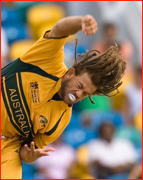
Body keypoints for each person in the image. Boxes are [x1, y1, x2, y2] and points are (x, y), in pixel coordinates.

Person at [1, 14, 126, 179]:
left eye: (85, 93)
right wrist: (80, 22)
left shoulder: (62, 119)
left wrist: (29, 157)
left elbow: (26, 150)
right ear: (71, 73)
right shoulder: (49, 61)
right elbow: (60, 29)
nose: (79, 94)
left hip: (7, 145)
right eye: (80, 86)